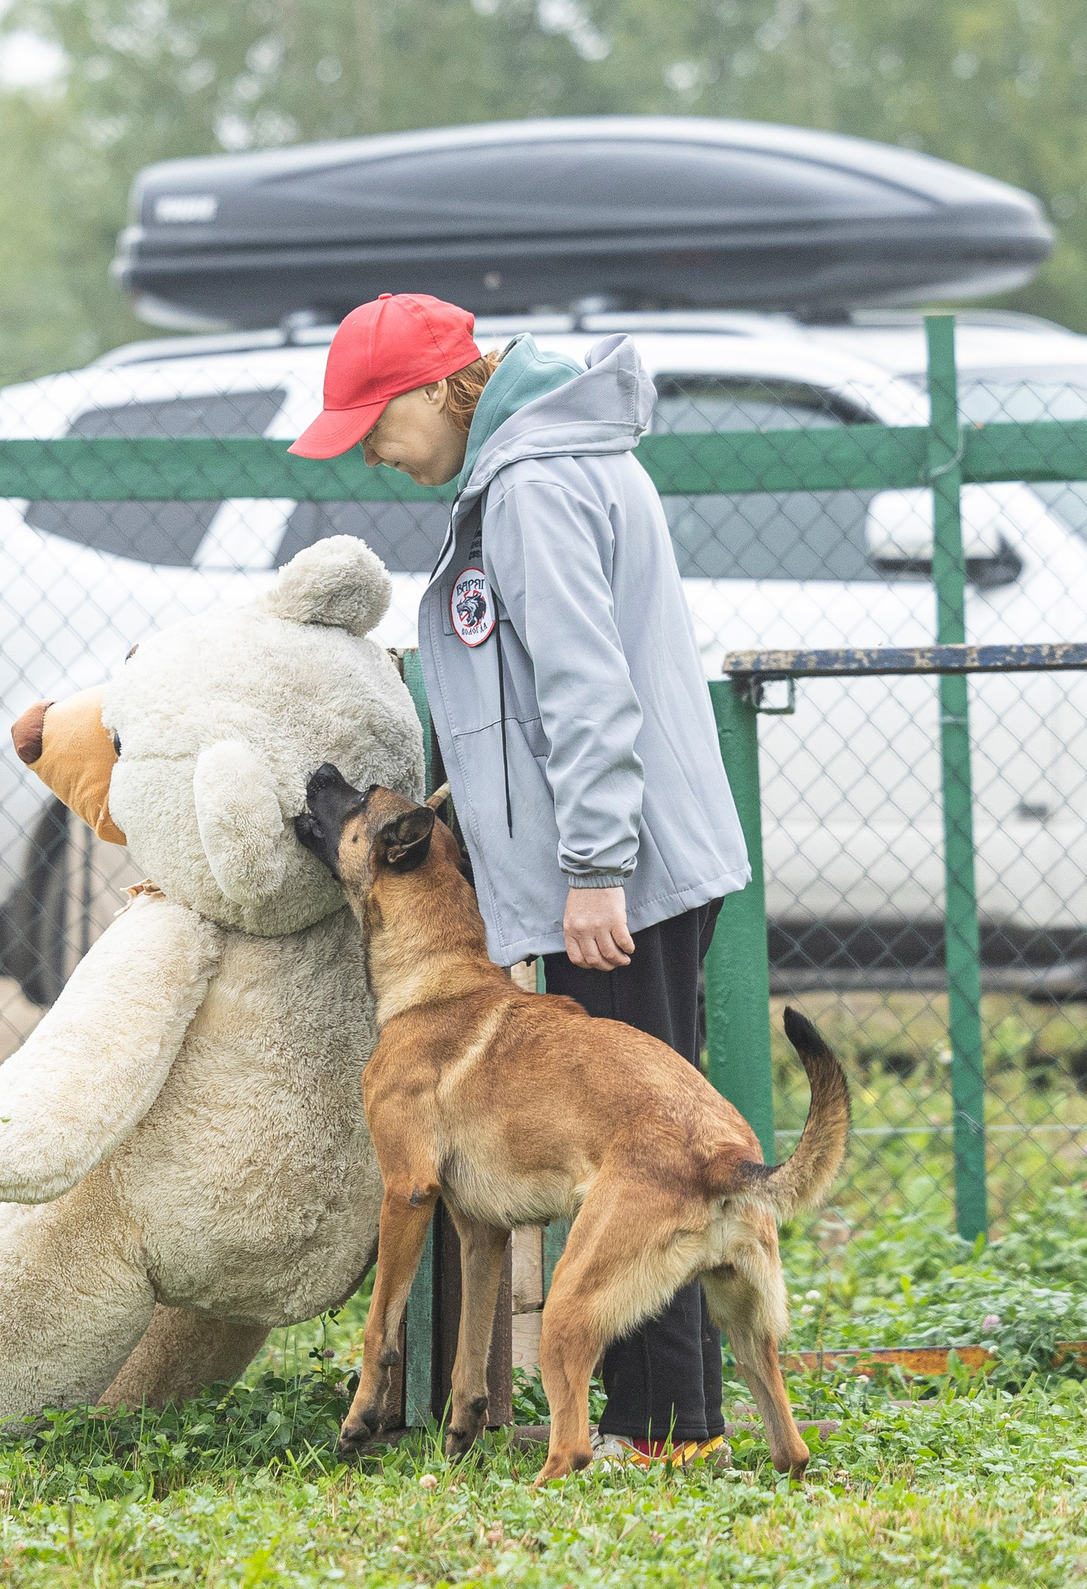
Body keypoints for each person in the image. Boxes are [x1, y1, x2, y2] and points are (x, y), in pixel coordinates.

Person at [290, 292, 752, 1467]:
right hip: (621, 862)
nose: (373, 456)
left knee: (641, 1150)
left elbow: (586, 692)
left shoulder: (538, 484)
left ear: (441, 389)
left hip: (623, 870)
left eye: (375, 427)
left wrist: (593, 868)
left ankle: (664, 1425)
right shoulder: (531, 463)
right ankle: (668, 1418)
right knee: (648, 1136)